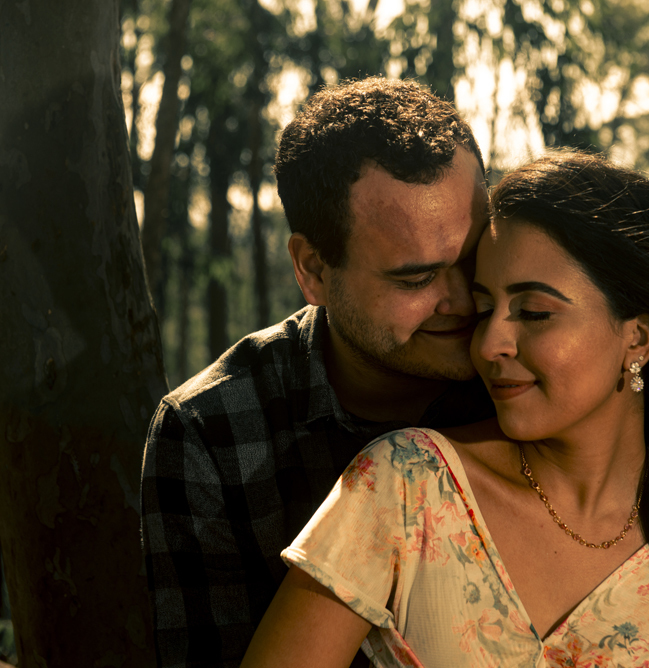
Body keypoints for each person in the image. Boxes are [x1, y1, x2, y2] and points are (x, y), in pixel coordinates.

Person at [240, 150, 649, 668]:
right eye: (485, 306)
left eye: (534, 312)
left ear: (637, 338)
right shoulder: (406, 488)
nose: (489, 343)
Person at [140, 77, 495, 668]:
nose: (463, 299)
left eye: (473, 256)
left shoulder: (526, 383)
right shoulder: (210, 434)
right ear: (313, 269)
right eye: (416, 279)